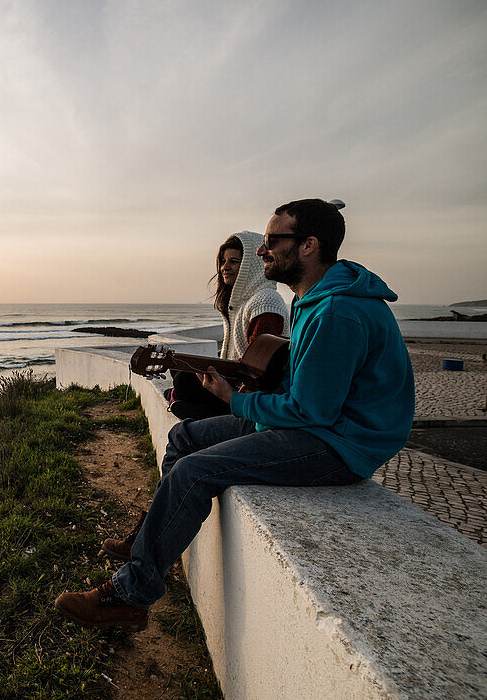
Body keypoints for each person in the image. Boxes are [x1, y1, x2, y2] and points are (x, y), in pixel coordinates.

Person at [55, 198, 415, 631]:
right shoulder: (313, 298)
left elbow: (310, 412)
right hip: (319, 423)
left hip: (340, 443)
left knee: (192, 471)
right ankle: (153, 539)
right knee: (184, 437)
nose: (261, 251)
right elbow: (300, 388)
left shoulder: (338, 312)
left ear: (308, 246)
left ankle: (130, 596)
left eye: (270, 241)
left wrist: (234, 398)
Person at [166, 231, 288, 420]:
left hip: (249, 393)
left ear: (251, 265)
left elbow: (258, 371)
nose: (225, 267)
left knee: (185, 380)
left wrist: (219, 380)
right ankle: (183, 403)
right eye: (223, 261)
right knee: (180, 370)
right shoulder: (239, 304)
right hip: (236, 381)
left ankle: (190, 405)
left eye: (234, 261)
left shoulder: (265, 301)